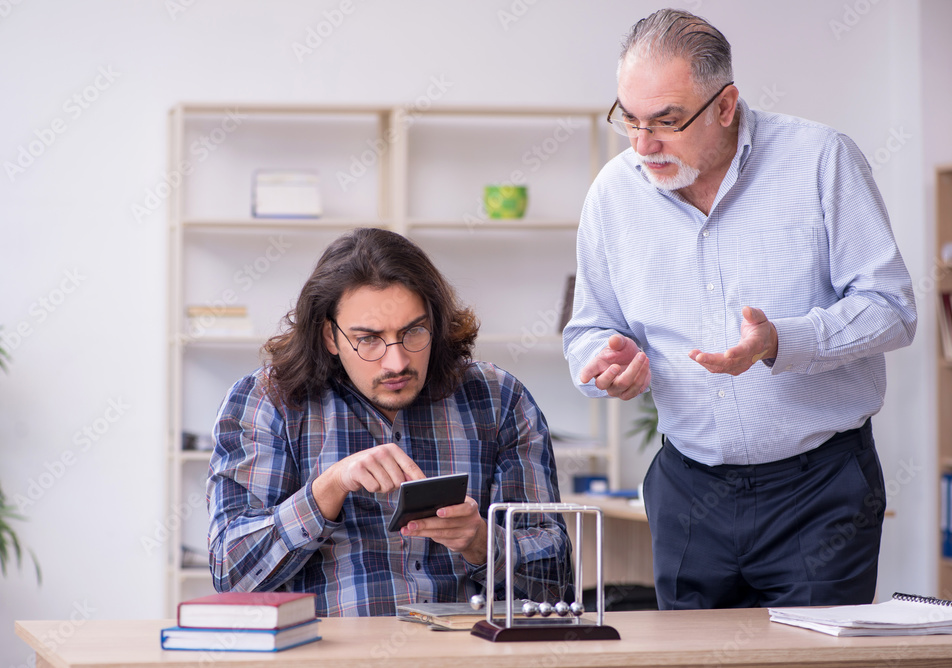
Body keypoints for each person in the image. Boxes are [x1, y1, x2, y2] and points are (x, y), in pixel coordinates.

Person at [563, 9, 917, 610]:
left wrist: (782, 340)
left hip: (819, 490)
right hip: (688, 489)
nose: (644, 144)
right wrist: (604, 359)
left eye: (666, 122)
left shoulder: (820, 161)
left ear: (725, 106)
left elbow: (893, 308)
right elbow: (588, 328)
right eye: (629, 119)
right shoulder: (614, 193)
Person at [208, 227, 571, 616]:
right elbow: (232, 576)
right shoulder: (268, 401)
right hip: (331, 659)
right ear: (330, 336)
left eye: (413, 331)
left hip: (464, 655)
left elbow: (557, 582)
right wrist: (328, 489)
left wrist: (482, 542)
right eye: (368, 339)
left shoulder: (498, 399)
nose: (396, 362)